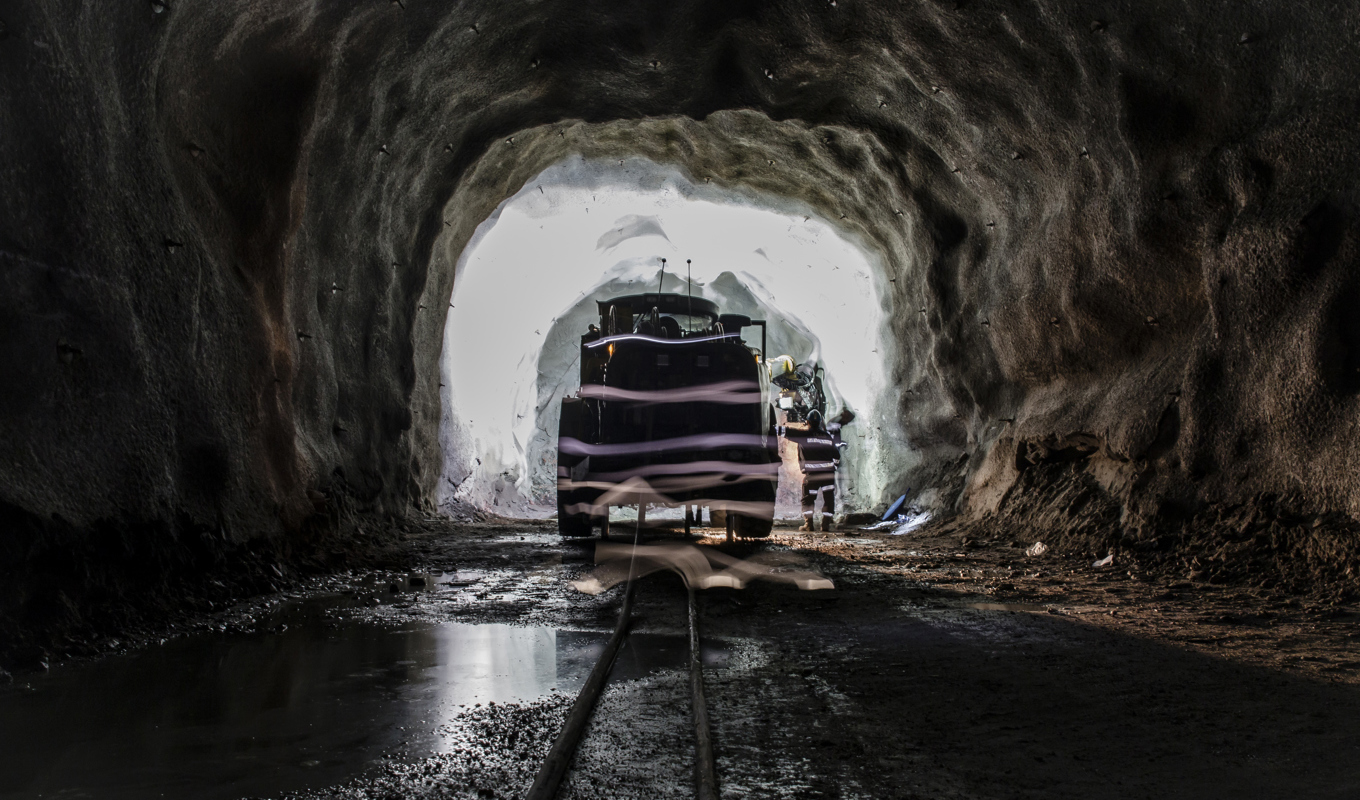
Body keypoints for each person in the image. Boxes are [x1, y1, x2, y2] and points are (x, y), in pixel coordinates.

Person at [792, 408, 849, 532]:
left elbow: (798, 451)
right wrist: (834, 467)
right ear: (821, 422)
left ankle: (809, 524)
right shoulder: (827, 436)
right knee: (829, 499)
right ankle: (825, 525)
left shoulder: (803, 436)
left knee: (808, 499)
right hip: (827, 475)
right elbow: (836, 455)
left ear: (807, 422)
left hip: (812, 475)